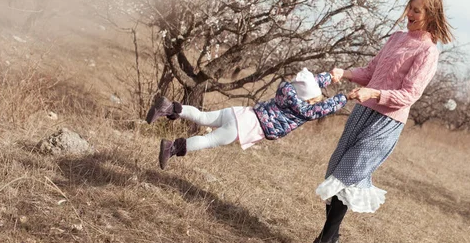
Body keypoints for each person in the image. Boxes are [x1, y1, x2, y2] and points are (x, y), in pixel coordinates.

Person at [303, 0, 454, 243]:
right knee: (336, 172)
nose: (409, 13)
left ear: (430, 16)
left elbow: (409, 95)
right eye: (410, 7)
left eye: (417, 10)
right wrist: (345, 73)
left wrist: (375, 94)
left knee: (347, 175)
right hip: (362, 113)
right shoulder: (396, 38)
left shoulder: (428, 52)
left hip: (386, 122)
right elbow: (371, 73)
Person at [145, 68, 347, 169]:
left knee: (202, 116)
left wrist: (330, 76)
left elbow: (310, 83)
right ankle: (170, 148)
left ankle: (168, 107)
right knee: (209, 140)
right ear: (310, 100)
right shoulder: (304, 109)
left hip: (242, 112)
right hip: (246, 126)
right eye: (314, 100)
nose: (315, 102)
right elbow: (323, 108)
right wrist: (346, 97)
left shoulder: (288, 89)